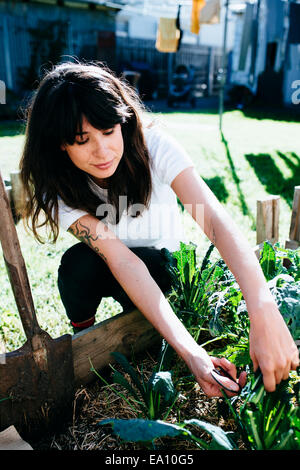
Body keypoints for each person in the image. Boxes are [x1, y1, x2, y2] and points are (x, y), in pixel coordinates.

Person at [20, 61, 298, 398]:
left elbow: (212, 219)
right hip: (119, 269)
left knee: (154, 261)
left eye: (109, 131)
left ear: (122, 122)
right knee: (76, 265)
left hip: (167, 270)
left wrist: (262, 309)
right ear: (60, 144)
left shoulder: (154, 146)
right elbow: (121, 260)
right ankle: (84, 337)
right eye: (83, 140)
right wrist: (194, 356)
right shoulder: (58, 187)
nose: (103, 151)